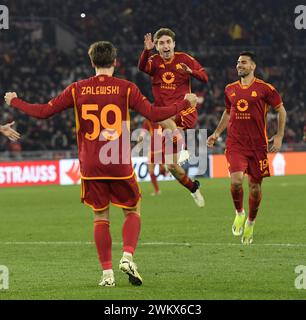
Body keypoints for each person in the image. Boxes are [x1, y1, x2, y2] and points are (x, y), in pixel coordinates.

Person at [4, 41, 197, 287]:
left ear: (92, 62)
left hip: (91, 163)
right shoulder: (126, 88)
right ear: (115, 62)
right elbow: (154, 114)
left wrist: (15, 101)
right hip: (117, 161)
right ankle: (127, 255)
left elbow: (43, 112)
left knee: (100, 216)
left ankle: (107, 275)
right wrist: (185, 103)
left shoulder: (77, 89)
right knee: (132, 210)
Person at [207, 51, 286, 245]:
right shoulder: (229, 89)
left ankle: (250, 222)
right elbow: (228, 113)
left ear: (252, 66)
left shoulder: (265, 89)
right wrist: (216, 133)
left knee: (255, 188)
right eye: (237, 62)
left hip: (258, 146)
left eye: (243, 62)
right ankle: (239, 213)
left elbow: (280, 110)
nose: (239, 65)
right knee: (236, 181)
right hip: (235, 144)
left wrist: (279, 135)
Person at [138, 28, 208, 207]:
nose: (165, 45)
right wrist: (146, 50)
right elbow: (141, 67)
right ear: (157, 46)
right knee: (171, 166)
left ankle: (179, 138)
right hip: (167, 117)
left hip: (185, 110)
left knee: (154, 113)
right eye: (161, 43)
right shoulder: (153, 61)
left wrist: (190, 72)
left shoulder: (185, 59)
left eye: (168, 42)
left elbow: (205, 77)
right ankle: (193, 187)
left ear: (174, 44)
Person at [137, 119, 168, 196]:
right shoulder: (162, 118)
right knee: (159, 168)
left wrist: (140, 139)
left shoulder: (147, 121)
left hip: (154, 148)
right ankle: (164, 170)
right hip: (160, 147)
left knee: (151, 170)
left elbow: (143, 134)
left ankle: (157, 190)